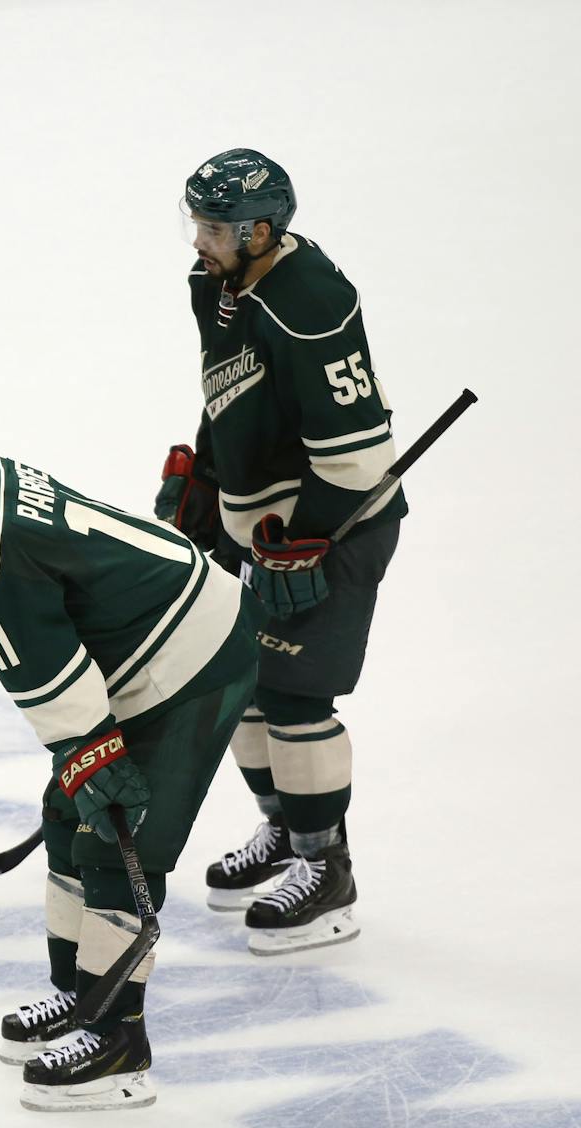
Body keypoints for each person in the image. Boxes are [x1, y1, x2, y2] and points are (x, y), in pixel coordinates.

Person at [0, 451, 261, 1111]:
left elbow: (51, 672)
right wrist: (83, 757)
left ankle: (115, 1040)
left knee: (118, 834)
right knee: (69, 810)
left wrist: (91, 753)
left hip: (189, 658)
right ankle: (80, 993)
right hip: (174, 617)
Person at [159, 147, 405, 954]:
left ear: (260, 230)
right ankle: (283, 827)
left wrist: (305, 544)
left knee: (298, 697)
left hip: (333, 529)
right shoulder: (223, 283)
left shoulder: (311, 301)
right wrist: (205, 480)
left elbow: (361, 454)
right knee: (243, 684)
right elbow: (229, 390)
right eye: (197, 224)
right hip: (260, 532)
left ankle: (325, 868)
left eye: (213, 228)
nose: (199, 242)